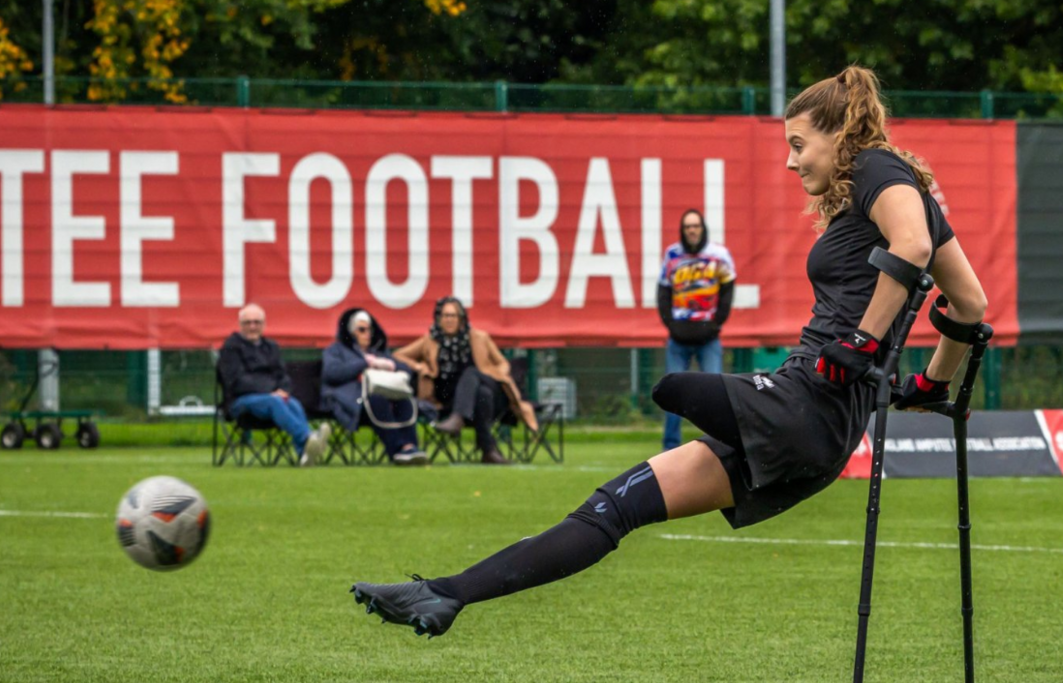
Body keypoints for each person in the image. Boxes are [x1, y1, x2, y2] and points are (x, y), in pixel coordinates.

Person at [350, 65, 989, 640]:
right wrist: (933, 385)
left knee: (671, 389)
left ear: (840, 134)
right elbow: (970, 305)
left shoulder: (878, 168)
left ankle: (445, 594)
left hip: (804, 406)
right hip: (812, 426)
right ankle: (443, 595)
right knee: (615, 506)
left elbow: (909, 248)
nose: (790, 163)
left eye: (798, 144)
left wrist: (862, 341)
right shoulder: (891, 193)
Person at [393, 297, 539, 465]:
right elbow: (398, 355)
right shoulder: (430, 340)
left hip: (490, 386)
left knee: (472, 374)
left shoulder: (479, 337)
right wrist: (419, 366)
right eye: (445, 315)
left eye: (453, 316)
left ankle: (457, 419)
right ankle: (489, 450)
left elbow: (503, 363)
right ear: (438, 318)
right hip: (456, 399)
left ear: (461, 318)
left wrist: (496, 373)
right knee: (481, 395)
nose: (449, 320)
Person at [657, 208, 736, 451]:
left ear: (702, 229)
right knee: (672, 397)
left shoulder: (719, 255)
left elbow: (727, 290)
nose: (692, 230)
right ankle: (670, 447)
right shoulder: (672, 255)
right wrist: (671, 325)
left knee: (714, 396)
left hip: (708, 338)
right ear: (683, 230)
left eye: (696, 226)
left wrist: (716, 324)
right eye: (688, 226)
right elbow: (663, 292)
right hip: (678, 338)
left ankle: (717, 446)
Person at [218, 303, 329, 466]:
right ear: (240, 325)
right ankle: (307, 438)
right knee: (276, 401)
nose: (252, 326)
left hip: (271, 398)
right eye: (247, 323)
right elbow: (235, 381)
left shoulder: (271, 347)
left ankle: (305, 455)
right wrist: (271, 391)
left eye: (256, 322)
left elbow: (282, 375)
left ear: (264, 325)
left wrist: (283, 390)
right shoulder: (230, 348)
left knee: (292, 403)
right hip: (239, 401)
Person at [320, 308, 429, 465]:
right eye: (362, 330)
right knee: (377, 401)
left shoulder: (379, 352)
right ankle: (397, 450)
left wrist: (390, 365)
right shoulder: (335, 351)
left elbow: (404, 369)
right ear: (351, 332)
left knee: (404, 400)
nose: (367, 333)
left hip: (385, 398)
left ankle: (410, 446)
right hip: (352, 402)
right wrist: (365, 363)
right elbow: (331, 373)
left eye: (369, 329)